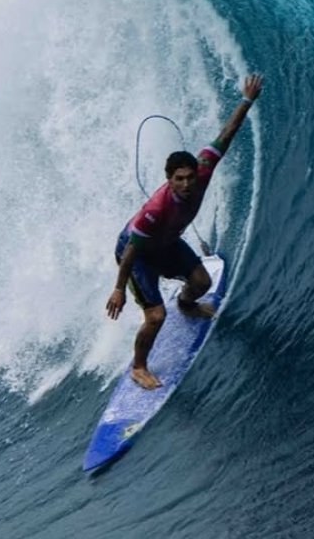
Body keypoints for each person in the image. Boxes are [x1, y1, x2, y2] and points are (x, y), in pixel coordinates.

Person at [106, 74, 264, 390]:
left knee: (202, 283)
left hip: (167, 244)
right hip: (136, 255)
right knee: (155, 317)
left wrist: (247, 99)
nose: (187, 183)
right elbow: (131, 251)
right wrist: (119, 289)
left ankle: (186, 305)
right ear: (169, 179)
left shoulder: (204, 168)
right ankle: (139, 367)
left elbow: (226, 134)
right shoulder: (155, 210)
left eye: (190, 177)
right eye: (179, 179)